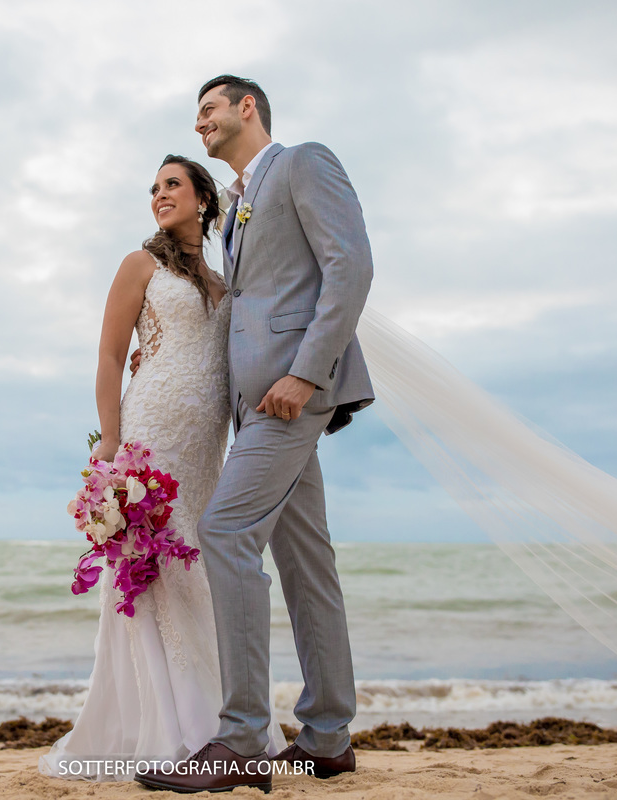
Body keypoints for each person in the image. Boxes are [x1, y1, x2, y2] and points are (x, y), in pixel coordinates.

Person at [136, 75, 376, 794]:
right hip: (258, 405)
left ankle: (240, 738)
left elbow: (350, 267)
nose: (200, 122)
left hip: (292, 395)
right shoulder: (237, 206)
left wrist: (306, 373)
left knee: (224, 530)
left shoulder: (303, 163)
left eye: (209, 109)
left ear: (247, 108)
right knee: (306, 563)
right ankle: (328, 738)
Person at [38, 154, 287, 781]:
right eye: (153, 188)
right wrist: (110, 444)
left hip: (205, 443)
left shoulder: (225, 280)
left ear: (204, 198)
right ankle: (167, 728)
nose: (159, 195)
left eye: (172, 184)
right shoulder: (139, 265)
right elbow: (109, 355)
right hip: (150, 433)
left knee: (199, 563)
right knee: (150, 567)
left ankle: (226, 726)